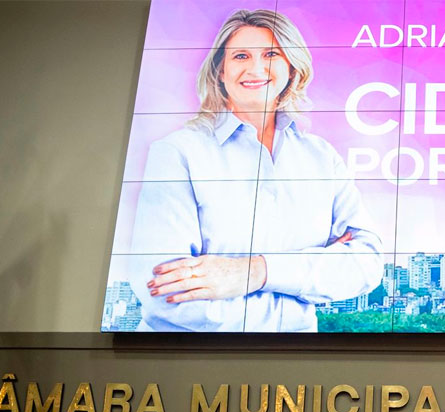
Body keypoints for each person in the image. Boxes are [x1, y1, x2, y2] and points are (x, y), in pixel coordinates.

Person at [130, 8, 382, 332]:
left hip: (297, 369)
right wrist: (311, 276)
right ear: (220, 70)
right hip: (187, 365)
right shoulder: (178, 153)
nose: (255, 68)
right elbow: (167, 290)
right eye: (240, 56)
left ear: (291, 68)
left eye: (271, 54)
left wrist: (252, 272)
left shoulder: (322, 158)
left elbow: (367, 263)